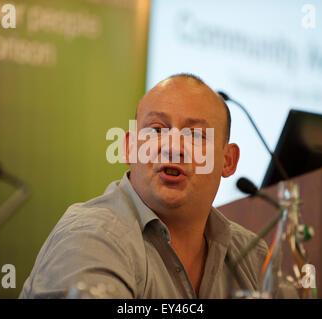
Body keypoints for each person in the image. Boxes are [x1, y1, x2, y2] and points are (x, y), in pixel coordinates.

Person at [19, 73, 268, 299]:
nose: (173, 147)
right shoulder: (91, 236)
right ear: (129, 148)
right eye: (157, 130)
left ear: (228, 161)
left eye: (195, 135)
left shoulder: (251, 253)